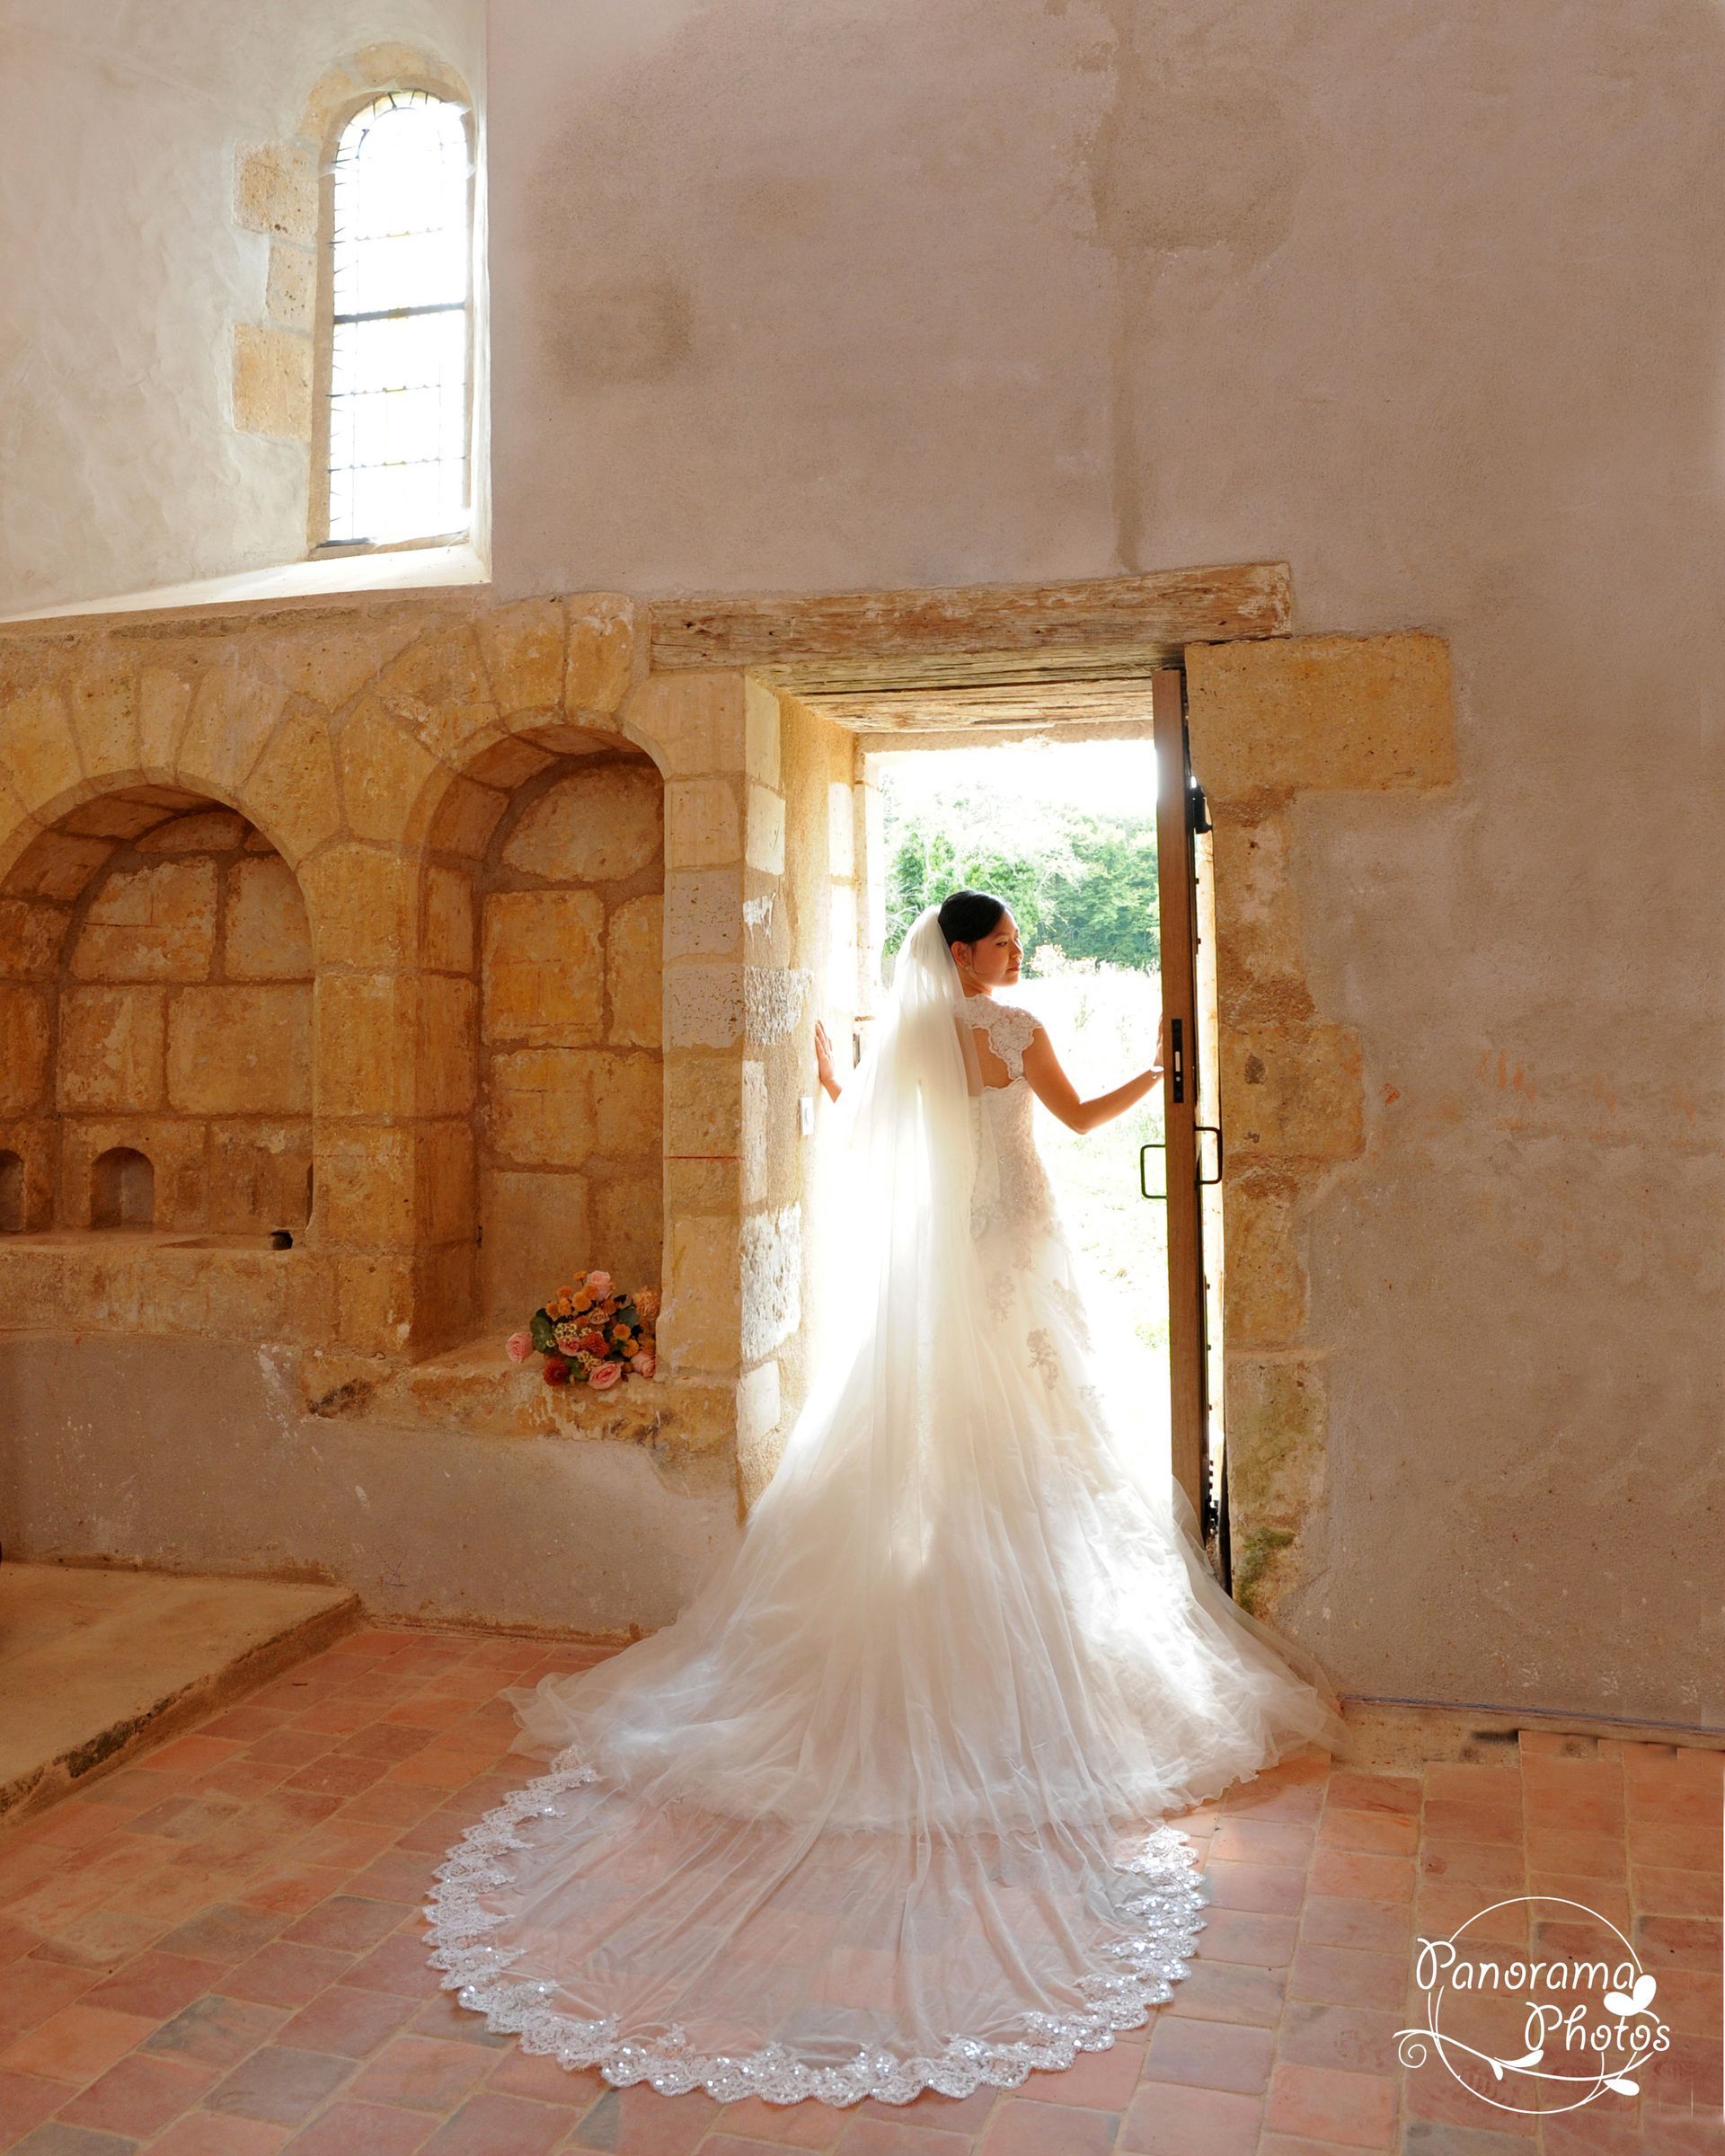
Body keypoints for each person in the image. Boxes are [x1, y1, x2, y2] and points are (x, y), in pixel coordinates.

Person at [427, 889, 1348, 2109]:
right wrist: (1162, 1075)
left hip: (953, 1252)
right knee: (1034, 1423)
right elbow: (1072, 1119)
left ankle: (966, 1579)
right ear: (967, 954)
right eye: (1007, 941)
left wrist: (824, 1076)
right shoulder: (1012, 1027)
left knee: (970, 1428)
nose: (1019, 955)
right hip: (1016, 1235)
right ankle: (1004, 1610)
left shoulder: (915, 1041)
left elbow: (859, 1121)